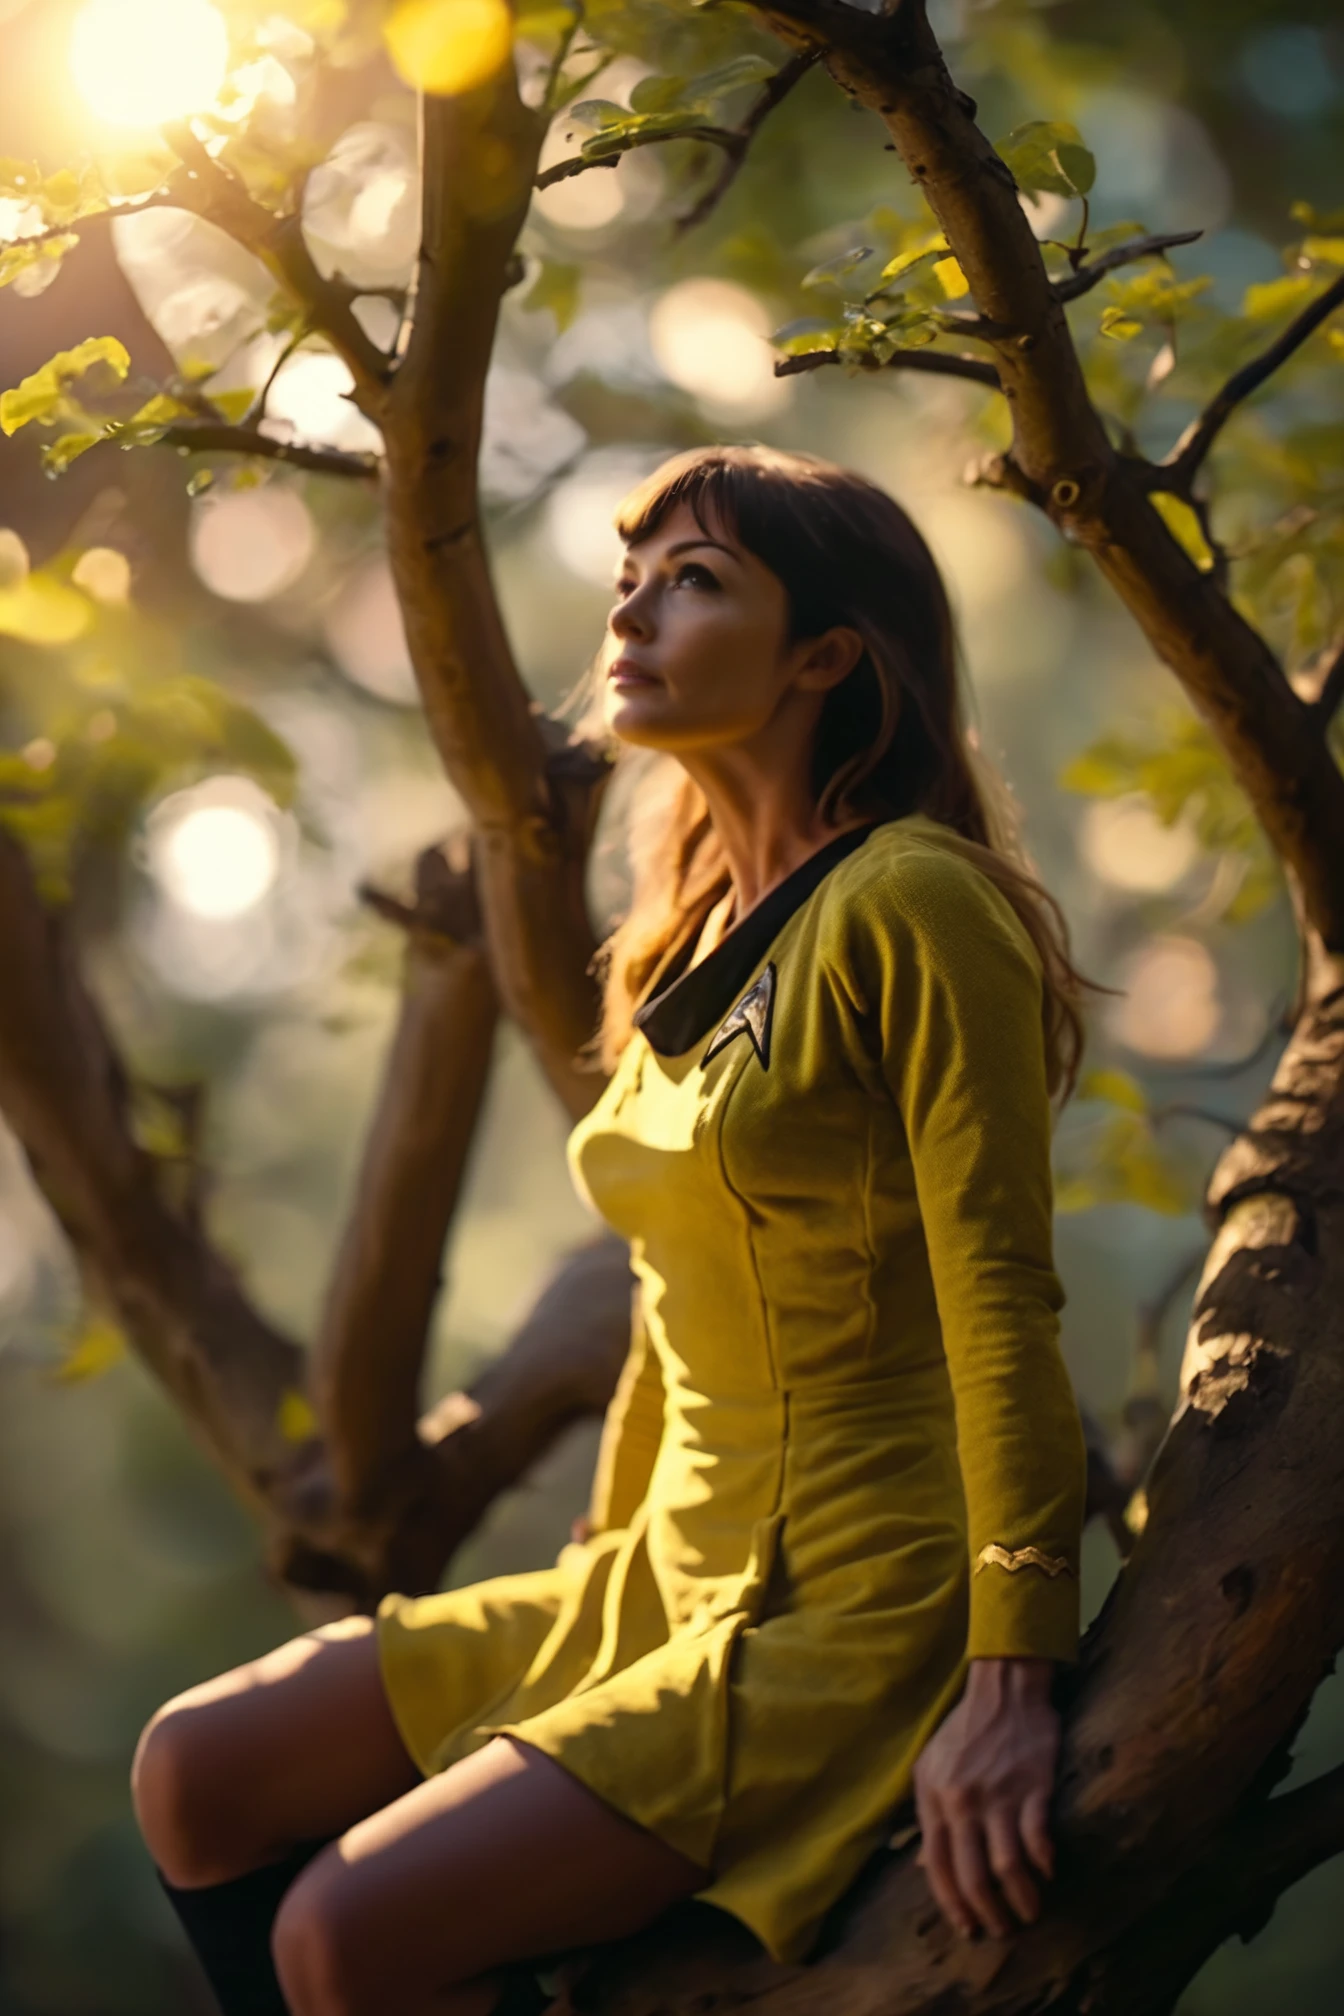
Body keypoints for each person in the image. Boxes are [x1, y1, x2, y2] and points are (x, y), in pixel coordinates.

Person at [131, 443, 1091, 2016]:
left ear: (828, 657)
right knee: (198, 1770)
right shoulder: (683, 935)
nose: (632, 614)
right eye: (629, 580)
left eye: (696, 582)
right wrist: (594, 1561)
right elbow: (674, 1289)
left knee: (337, 1939)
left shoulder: (915, 902)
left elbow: (1001, 1302)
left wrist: (1014, 1675)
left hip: (847, 1601)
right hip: (654, 1570)